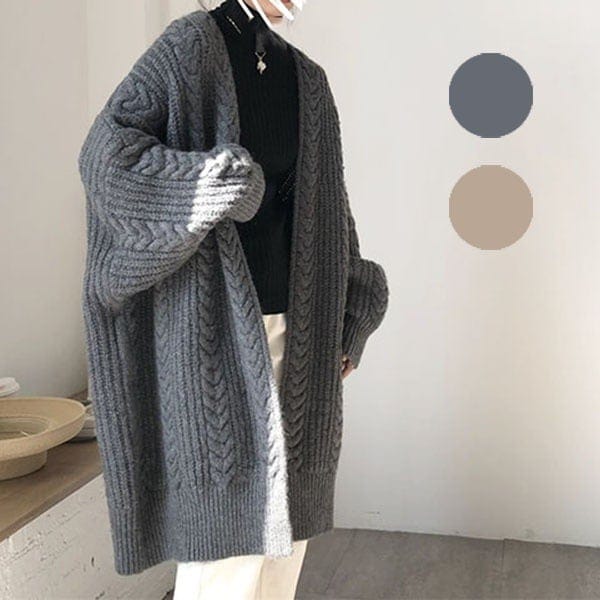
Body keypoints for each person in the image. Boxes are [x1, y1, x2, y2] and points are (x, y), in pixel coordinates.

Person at [77, 0, 389, 598]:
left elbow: (330, 213)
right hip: (211, 338)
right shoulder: (189, 48)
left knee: (283, 550)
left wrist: (349, 318)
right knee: (226, 555)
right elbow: (105, 159)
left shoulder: (309, 81)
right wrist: (214, 183)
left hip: (301, 338)